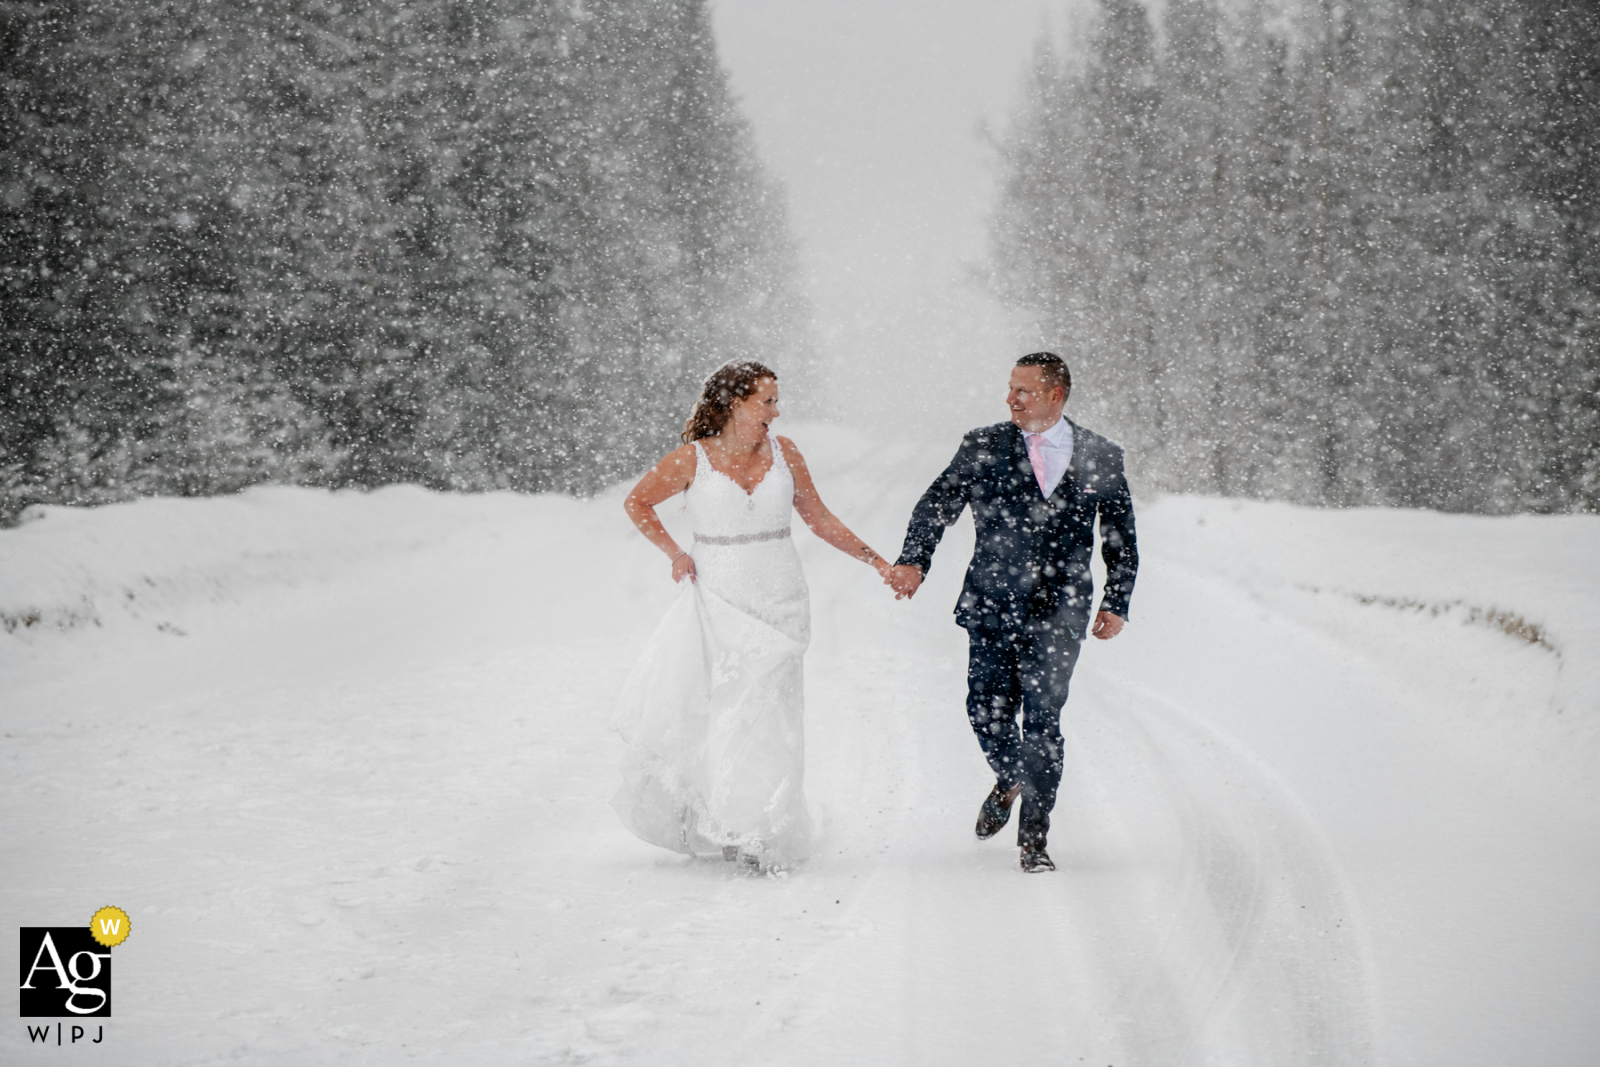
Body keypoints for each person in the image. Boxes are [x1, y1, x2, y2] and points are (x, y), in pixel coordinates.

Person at [615, 359, 891, 873]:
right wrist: (676, 553)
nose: (776, 411)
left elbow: (820, 517)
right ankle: (727, 820)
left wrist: (876, 561)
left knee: (773, 716)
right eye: (766, 400)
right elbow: (638, 504)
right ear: (734, 404)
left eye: (775, 400)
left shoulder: (786, 454)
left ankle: (762, 826)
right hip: (720, 597)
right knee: (727, 713)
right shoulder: (691, 459)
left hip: (782, 595)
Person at [885, 352, 1138, 873]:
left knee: (1044, 723)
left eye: (1022, 390)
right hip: (993, 602)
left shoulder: (1100, 454)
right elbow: (939, 503)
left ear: (1055, 395)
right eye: (1010, 388)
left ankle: (1034, 842)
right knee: (986, 711)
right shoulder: (984, 445)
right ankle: (1010, 777)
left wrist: (1117, 601)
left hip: (1061, 610)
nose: (1010, 399)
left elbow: (1120, 536)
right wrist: (914, 559)